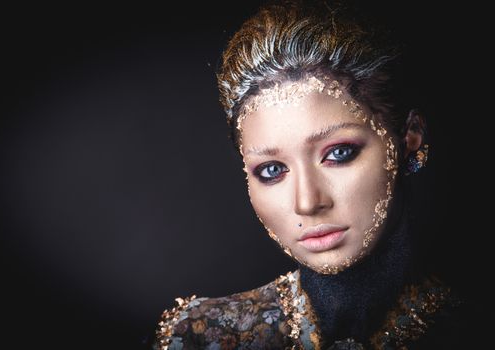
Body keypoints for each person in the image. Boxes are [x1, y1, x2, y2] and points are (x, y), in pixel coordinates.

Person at [152, 1, 464, 348]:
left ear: (409, 138)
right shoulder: (200, 336)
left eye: (338, 153)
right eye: (272, 170)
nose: (307, 202)